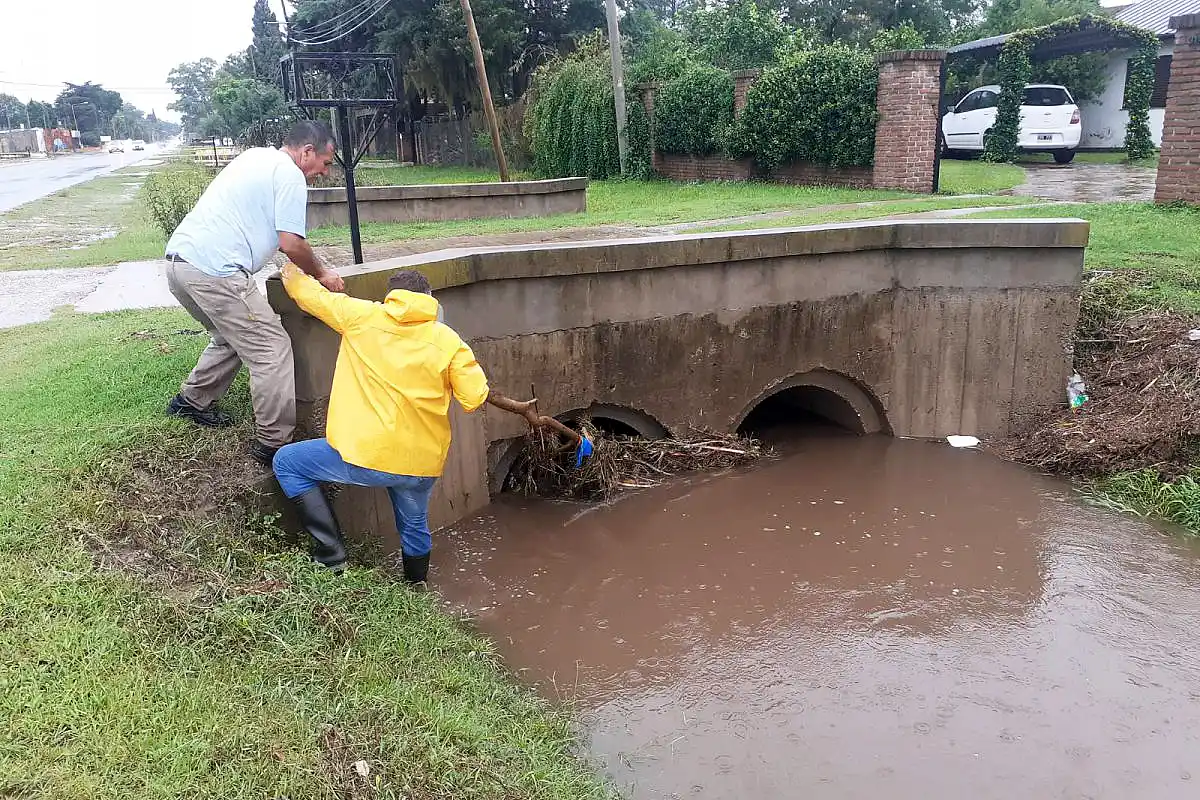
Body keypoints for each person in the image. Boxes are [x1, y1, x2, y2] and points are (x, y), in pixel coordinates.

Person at [271, 265, 546, 583]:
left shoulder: (360, 316)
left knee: (287, 462)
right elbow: (473, 398)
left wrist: (292, 268)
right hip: (421, 465)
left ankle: (331, 556)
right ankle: (416, 584)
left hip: (367, 456)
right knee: (414, 525)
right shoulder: (447, 341)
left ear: (391, 297)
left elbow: (309, 295)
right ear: (430, 300)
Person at [164, 120, 345, 465]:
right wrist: (321, 273)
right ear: (307, 152)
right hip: (215, 271)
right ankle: (274, 444)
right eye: (325, 163)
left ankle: (190, 403)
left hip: (179, 265)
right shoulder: (290, 174)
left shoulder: (255, 157)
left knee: (230, 336)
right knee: (271, 349)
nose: (323, 172)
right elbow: (290, 242)